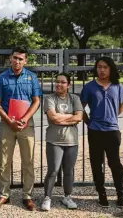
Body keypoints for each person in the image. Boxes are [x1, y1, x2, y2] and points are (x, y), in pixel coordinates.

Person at [0, 46, 42, 211]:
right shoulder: (2, 78)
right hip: (7, 124)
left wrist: (25, 118)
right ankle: (4, 194)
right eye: (15, 58)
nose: (17, 61)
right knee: (4, 161)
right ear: (10, 59)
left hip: (27, 125)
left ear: (25, 61)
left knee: (29, 161)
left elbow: (36, 101)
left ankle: (27, 195)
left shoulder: (32, 77)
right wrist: (9, 121)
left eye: (21, 59)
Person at [81, 57, 123, 208]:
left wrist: (110, 118)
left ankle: (121, 193)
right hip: (95, 131)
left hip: (113, 131)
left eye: (105, 67)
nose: (101, 70)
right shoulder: (89, 87)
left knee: (115, 163)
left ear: (111, 69)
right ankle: (101, 193)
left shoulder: (118, 86)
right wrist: (89, 122)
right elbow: (80, 108)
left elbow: (121, 107)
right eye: (99, 67)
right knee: (96, 163)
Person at [41, 73, 83, 211]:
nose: (59, 84)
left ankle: (67, 196)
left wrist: (63, 118)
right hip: (54, 140)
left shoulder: (75, 98)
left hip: (72, 141)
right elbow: (53, 118)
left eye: (63, 82)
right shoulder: (50, 99)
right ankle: (47, 197)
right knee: (53, 170)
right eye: (57, 81)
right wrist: (71, 117)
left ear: (68, 85)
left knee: (69, 171)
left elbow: (80, 117)